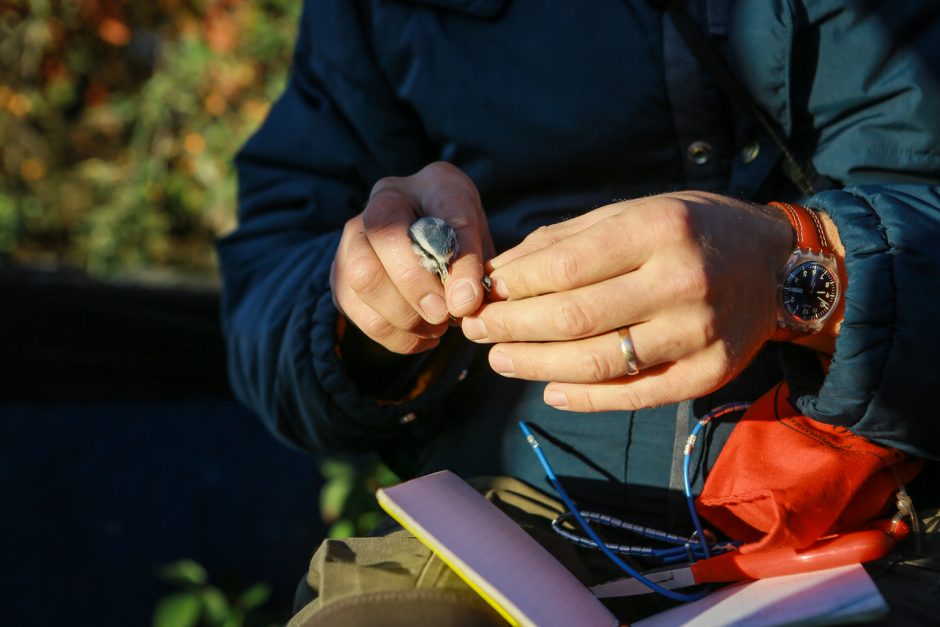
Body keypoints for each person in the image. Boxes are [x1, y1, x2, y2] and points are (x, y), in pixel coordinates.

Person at [218, 1, 940, 623]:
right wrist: (369, 314)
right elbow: (268, 283)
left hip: (882, 508)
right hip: (513, 519)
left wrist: (806, 274)